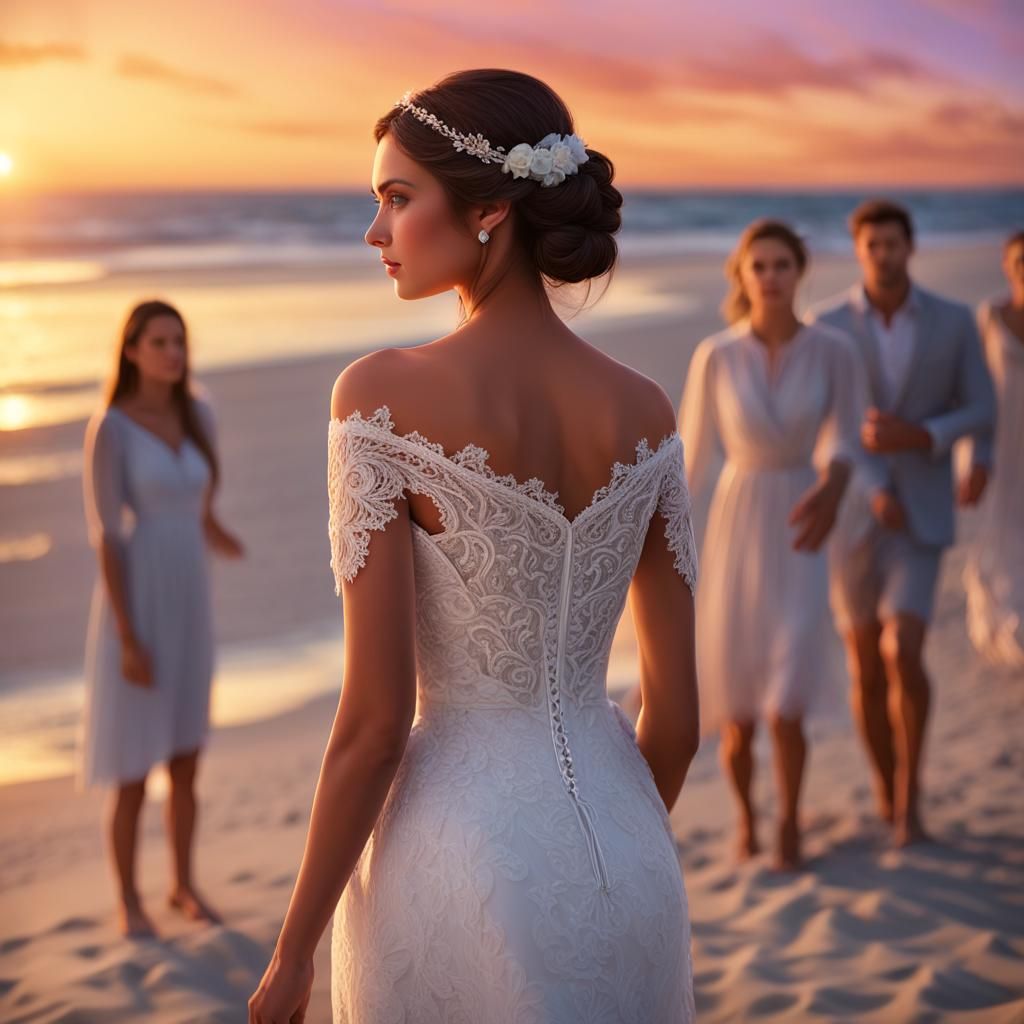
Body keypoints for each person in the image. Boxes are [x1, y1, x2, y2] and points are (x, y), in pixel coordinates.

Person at [248, 69, 700, 1024]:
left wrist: (293, 955)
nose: (376, 232)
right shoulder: (647, 412)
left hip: (463, 861)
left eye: (397, 199)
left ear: (491, 207)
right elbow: (677, 718)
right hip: (632, 860)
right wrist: (611, 849)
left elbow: (373, 729)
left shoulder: (379, 399)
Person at [811, 199, 996, 846]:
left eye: (893, 244)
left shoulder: (953, 321)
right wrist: (867, 484)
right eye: (871, 246)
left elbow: (981, 407)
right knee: (865, 663)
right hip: (853, 519)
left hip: (922, 513)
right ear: (857, 251)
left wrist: (924, 436)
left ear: (910, 246)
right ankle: (887, 791)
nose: (883, 255)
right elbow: (826, 427)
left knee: (904, 650)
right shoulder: (827, 326)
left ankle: (911, 801)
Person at [679, 220, 862, 870]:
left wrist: (836, 481)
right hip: (738, 516)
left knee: (786, 699)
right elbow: (690, 458)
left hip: (804, 519)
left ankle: (788, 818)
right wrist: (649, 533)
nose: (771, 276)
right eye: (759, 266)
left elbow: (846, 435)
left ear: (799, 271)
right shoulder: (717, 356)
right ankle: (746, 821)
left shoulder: (834, 351)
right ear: (743, 275)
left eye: (782, 264)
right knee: (738, 703)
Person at [79, 299, 244, 938]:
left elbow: (197, 500)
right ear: (131, 350)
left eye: (179, 340)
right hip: (138, 602)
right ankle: (129, 898)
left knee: (186, 761)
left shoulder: (199, 412)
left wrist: (216, 532)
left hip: (192, 601)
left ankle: (182, 885)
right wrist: (126, 636)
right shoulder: (112, 427)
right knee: (130, 770)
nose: (173, 353)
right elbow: (106, 536)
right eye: (158, 342)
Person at [964, 230, 1024, 666]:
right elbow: (971, 388)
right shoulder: (990, 316)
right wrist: (973, 456)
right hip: (999, 440)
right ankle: (1005, 618)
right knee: (997, 528)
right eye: (1020, 261)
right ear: (1006, 265)